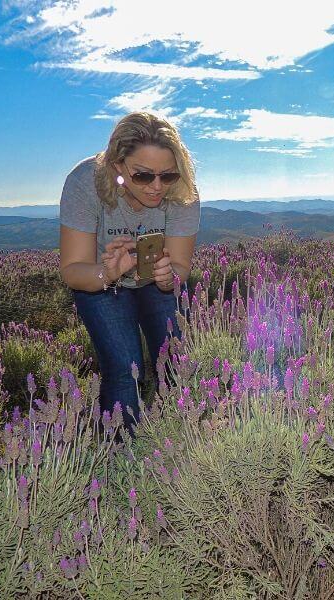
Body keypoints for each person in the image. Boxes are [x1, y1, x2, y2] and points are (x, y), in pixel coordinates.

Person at [59, 111, 200, 433]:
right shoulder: (86, 183)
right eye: (143, 175)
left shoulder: (182, 192)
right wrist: (108, 273)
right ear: (118, 166)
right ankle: (121, 458)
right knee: (125, 370)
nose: (157, 187)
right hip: (101, 282)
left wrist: (170, 277)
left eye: (167, 175)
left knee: (178, 364)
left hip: (155, 282)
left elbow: (180, 266)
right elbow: (73, 270)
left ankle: (181, 446)